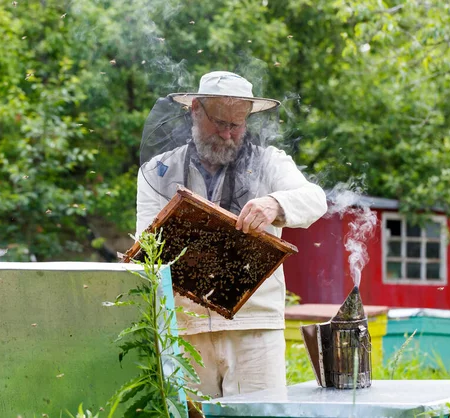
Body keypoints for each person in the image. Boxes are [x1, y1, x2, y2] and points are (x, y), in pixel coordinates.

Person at [136, 71, 327, 399]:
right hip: (186, 329)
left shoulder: (269, 163)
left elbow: (315, 199)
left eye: (236, 125)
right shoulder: (158, 170)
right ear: (195, 110)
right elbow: (147, 244)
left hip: (255, 326)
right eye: (219, 122)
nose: (227, 134)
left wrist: (274, 203)